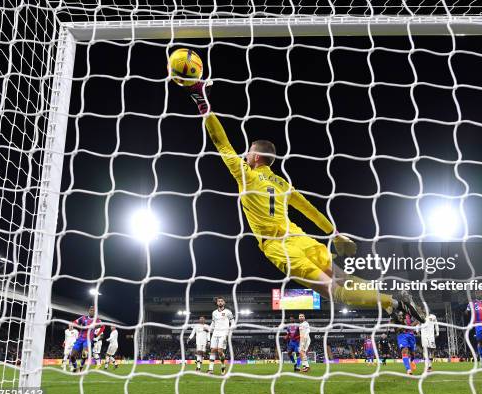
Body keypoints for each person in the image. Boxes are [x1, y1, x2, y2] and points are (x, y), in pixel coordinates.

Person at [175, 79, 425, 324]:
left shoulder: (247, 176)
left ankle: (393, 303)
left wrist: (201, 100)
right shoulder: (283, 184)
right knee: (344, 278)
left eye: (249, 150)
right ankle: (393, 301)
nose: (245, 153)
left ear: (257, 158)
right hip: (301, 238)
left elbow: (222, 143)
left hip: (279, 246)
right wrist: (334, 234)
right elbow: (309, 209)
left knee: (336, 292)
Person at [208, 297, 234, 375]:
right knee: (212, 350)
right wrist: (209, 329)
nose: (220, 302)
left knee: (220, 351)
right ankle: (210, 369)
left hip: (223, 333)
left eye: (221, 301)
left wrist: (230, 332)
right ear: (217, 303)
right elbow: (213, 323)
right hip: (215, 333)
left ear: (224, 303)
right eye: (218, 301)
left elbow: (233, 322)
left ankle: (223, 366)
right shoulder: (214, 313)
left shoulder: (228, 312)